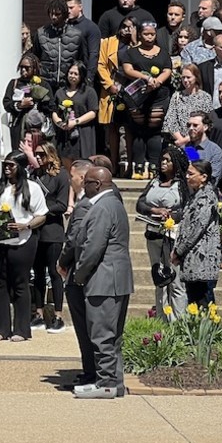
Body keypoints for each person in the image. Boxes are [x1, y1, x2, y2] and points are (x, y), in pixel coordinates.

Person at [71, 166, 133, 399]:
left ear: (96, 184)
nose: (82, 186)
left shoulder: (103, 207)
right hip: (116, 278)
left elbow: (93, 247)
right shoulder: (114, 204)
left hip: (104, 278)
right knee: (112, 336)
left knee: (102, 335)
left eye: (86, 182)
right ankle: (114, 383)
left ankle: (106, 382)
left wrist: (79, 274)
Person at [0, 150, 47, 343]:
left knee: (20, 283)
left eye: (11, 165)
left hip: (23, 240)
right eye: (5, 165)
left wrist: (26, 225)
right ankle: (1, 328)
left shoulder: (32, 188)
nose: (7, 169)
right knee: (1, 283)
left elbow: (42, 215)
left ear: (20, 167)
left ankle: (21, 328)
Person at [135, 146, 189, 318]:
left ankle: (178, 322)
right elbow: (140, 204)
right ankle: (160, 320)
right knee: (159, 279)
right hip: (153, 234)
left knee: (175, 280)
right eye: (162, 160)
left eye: (168, 160)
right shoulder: (154, 182)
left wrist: (172, 215)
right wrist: (155, 210)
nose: (163, 163)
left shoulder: (182, 186)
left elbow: (187, 210)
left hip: (173, 236)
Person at [57, 160, 95, 387]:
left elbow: (74, 239)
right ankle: (89, 369)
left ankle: (91, 371)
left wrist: (62, 262)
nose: (69, 180)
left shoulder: (83, 205)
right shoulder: (85, 202)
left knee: (84, 326)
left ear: (81, 178)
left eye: (72, 176)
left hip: (78, 272)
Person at [120, 21, 173, 172]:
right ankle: (138, 166)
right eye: (146, 34)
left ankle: (155, 165)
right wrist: (145, 78)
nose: (149, 37)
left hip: (158, 95)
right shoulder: (131, 52)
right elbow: (127, 70)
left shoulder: (162, 52)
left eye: (152, 34)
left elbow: (167, 69)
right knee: (138, 130)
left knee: (154, 128)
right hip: (137, 96)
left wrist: (157, 81)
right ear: (139, 34)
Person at [30, 148, 72, 333]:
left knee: (54, 274)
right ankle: (38, 313)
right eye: (36, 154)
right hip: (35, 230)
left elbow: (62, 205)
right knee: (37, 274)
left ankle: (58, 315)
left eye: (41, 154)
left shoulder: (61, 176)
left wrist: (41, 209)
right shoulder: (34, 174)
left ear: (51, 155)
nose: (38, 157)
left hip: (53, 231)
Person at [172, 160, 221, 308]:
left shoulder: (206, 197)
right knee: (194, 302)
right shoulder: (195, 196)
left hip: (202, 259)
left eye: (191, 174)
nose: (187, 177)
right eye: (186, 173)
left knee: (203, 302)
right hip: (191, 258)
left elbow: (196, 228)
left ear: (204, 177)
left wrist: (178, 251)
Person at [96, 17, 136, 174]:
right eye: (124, 26)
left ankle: (129, 166)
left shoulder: (138, 44)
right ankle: (112, 164)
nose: (126, 30)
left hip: (131, 89)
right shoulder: (108, 42)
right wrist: (109, 85)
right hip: (112, 86)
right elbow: (101, 65)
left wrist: (134, 40)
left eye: (131, 28)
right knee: (112, 126)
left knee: (129, 127)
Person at [2, 53, 53, 150]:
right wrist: (20, 105)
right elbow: (6, 103)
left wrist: (39, 101)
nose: (23, 70)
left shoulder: (43, 84)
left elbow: (51, 106)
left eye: (26, 68)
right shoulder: (14, 83)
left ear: (34, 69)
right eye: (21, 67)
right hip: (19, 126)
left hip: (37, 128)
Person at [50, 61, 97, 164]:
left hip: (83, 133)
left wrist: (76, 122)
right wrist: (60, 123)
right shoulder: (60, 92)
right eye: (70, 73)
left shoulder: (89, 92)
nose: (72, 76)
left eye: (76, 74)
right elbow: (54, 111)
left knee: (82, 164)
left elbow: (93, 112)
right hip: (64, 134)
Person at [163, 64, 212, 144]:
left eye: (188, 77)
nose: (185, 80)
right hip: (179, 142)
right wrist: (180, 140)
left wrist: (186, 140)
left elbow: (207, 121)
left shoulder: (205, 97)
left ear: (196, 77)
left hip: (197, 142)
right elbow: (170, 121)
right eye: (183, 77)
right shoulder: (177, 96)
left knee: (193, 156)